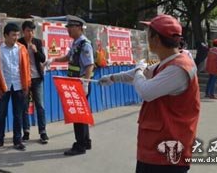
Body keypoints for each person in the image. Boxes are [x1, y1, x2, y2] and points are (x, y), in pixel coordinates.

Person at [99, 14, 200, 173]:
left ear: (156, 40)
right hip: (154, 147)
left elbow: (146, 91)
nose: (146, 39)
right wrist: (112, 78)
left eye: (148, 34)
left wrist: (139, 69)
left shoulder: (178, 68)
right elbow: (140, 74)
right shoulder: (169, 62)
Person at [46, 15, 95, 156]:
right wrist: (54, 59)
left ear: (79, 28)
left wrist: (85, 83)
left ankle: (79, 146)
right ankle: (85, 141)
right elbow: (69, 57)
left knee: (76, 115)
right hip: (75, 83)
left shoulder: (85, 44)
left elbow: (90, 64)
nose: (68, 30)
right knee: (81, 113)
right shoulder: (76, 43)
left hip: (80, 83)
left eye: (70, 27)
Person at [0, 22, 31, 152]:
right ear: (5, 35)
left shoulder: (22, 49)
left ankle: (17, 141)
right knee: (1, 115)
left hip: (18, 86)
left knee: (18, 115)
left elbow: (27, 68)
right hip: (3, 86)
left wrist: (27, 85)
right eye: (13, 35)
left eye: (17, 35)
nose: (16, 38)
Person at [18, 20, 49, 144]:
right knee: (24, 106)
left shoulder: (37, 42)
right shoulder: (19, 43)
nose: (30, 33)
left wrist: (36, 51)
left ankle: (43, 132)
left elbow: (43, 58)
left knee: (40, 105)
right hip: (24, 79)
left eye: (32, 31)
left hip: (37, 78)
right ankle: (26, 131)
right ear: (23, 31)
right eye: (27, 31)